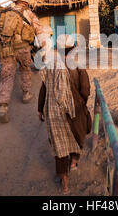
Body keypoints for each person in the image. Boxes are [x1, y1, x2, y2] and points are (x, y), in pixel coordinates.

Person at [38, 35, 91, 194]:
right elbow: (85, 89)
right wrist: (81, 104)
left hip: (54, 112)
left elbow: (44, 89)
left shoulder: (51, 66)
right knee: (77, 135)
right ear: (73, 48)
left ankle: (64, 181)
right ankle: (74, 161)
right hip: (74, 109)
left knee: (60, 146)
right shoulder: (77, 65)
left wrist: (40, 109)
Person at [0, 0, 45, 123]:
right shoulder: (28, 13)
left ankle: (3, 106)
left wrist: (0, 49)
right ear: (25, 0)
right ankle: (26, 94)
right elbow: (39, 31)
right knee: (25, 70)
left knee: (7, 76)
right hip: (23, 48)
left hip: (7, 50)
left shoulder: (4, 13)